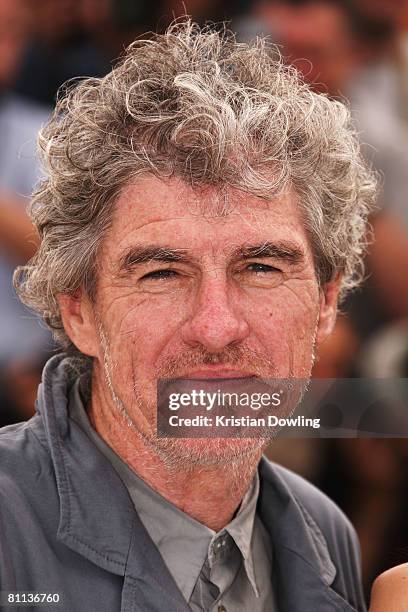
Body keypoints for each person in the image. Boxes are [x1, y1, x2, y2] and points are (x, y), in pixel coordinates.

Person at [0, 20, 376, 612]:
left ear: (327, 302)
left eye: (260, 269)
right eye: (162, 274)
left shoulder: (324, 532)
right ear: (80, 311)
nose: (216, 327)